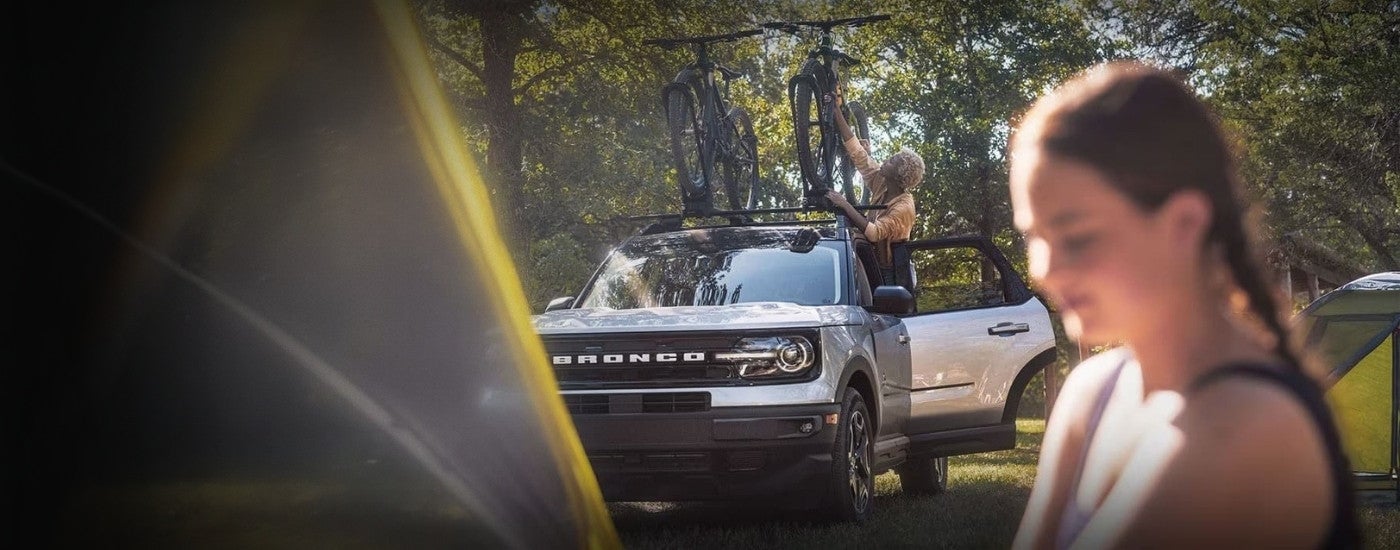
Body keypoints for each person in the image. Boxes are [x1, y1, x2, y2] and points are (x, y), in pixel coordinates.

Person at [1008, 61, 1359, 549]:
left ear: (1184, 224)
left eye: (1076, 237)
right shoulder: (1092, 391)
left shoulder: (1246, 425)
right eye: (1034, 236)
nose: (1043, 268)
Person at [823, 91, 924, 287]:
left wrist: (844, 204)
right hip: (869, 258)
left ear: (899, 174)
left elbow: (874, 233)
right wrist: (836, 111)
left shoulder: (904, 207)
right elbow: (858, 155)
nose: (886, 160)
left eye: (892, 161)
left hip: (889, 272)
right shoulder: (884, 182)